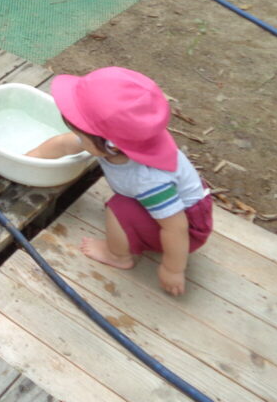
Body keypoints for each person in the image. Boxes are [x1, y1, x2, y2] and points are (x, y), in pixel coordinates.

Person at [26, 67, 212, 296]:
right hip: (173, 208)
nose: (77, 137)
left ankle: (118, 256)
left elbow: (176, 228)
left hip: (188, 228)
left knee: (118, 208)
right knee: (123, 204)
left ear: (110, 146)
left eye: (81, 133)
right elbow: (64, 144)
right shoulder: (122, 139)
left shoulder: (149, 180)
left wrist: (173, 269)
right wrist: (28, 159)